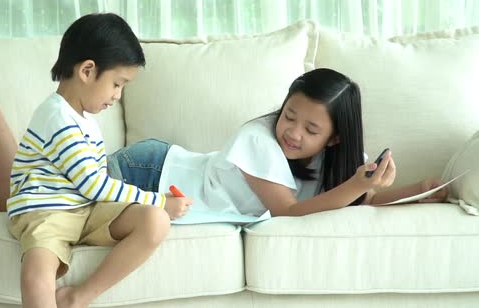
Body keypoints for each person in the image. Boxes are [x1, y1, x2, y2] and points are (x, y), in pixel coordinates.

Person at [0, 13, 192, 308]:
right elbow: (93, 185)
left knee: (154, 221)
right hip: (47, 210)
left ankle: (78, 297)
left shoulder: (83, 118)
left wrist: (154, 209)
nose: (117, 95)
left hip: (83, 208)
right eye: (117, 84)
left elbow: (93, 187)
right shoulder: (59, 116)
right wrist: (157, 200)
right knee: (36, 273)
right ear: (87, 71)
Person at [107, 68, 449, 219]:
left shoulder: (341, 160)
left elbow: (364, 199)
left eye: (311, 129)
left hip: (162, 182)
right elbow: (287, 211)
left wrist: (418, 190)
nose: (293, 132)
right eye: (289, 115)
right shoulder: (259, 137)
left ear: (336, 139)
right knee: (61, 197)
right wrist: (357, 185)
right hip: (151, 171)